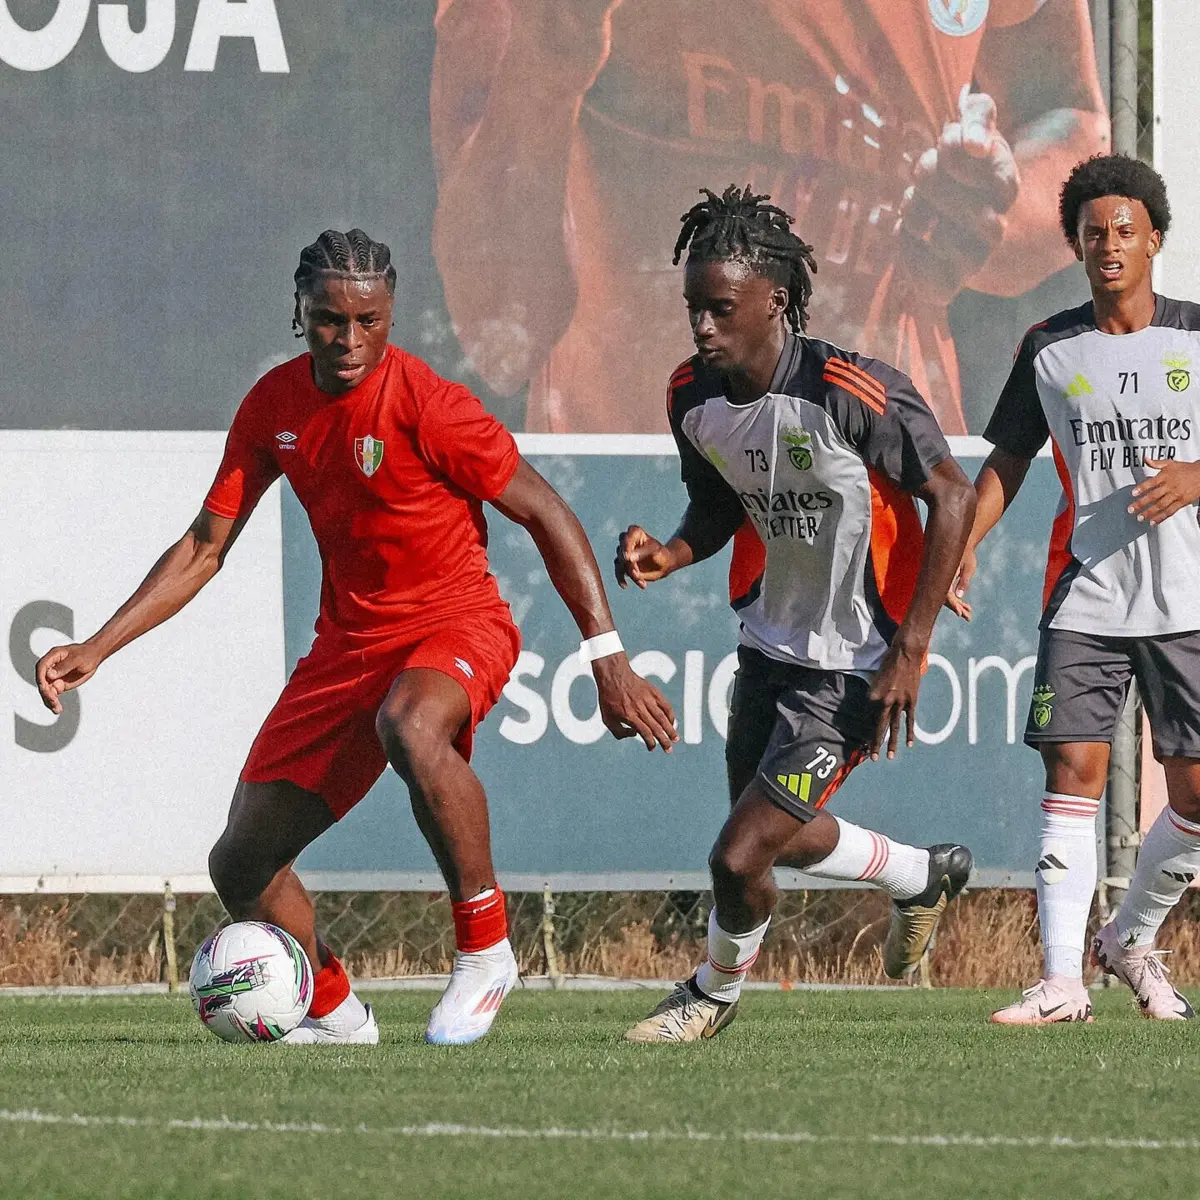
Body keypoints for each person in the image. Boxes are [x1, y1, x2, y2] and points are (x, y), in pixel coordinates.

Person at [35, 229, 677, 1047]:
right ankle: (337, 1016)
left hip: (457, 620)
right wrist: (98, 645)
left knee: (411, 722)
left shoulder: (429, 404)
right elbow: (205, 544)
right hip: (347, 647)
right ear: (300, 314)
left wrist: (606, 658)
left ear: (391, 316)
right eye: (329, 319)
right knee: (239, 863)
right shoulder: (273, 406)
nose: (348, 340)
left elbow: (546, 511)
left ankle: (486, 952)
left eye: (368, 321)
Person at [614, 186, 976, 1043]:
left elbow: (952, 497)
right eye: (693, 308)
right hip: (767, 650)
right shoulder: (689, 396)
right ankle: (921, 876)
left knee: (737, 856)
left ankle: (709, 996)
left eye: (720, 309)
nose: (702, 327)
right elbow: (716, 507)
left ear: (775, 301)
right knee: (774, 830)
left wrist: (911, 649)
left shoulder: (852, 391)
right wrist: (667, 553)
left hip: (854, 665)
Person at [430, 0, 1108, 436]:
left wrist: (991, 214)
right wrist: (548, 63)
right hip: (638, 513)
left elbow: (1070, 116)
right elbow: (498, 327)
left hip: (888, 490)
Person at [953, 156, 1200, 1024]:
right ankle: (1062, 980)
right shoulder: (1049, 347)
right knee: (1073, 771)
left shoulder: (1198, 337)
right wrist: (961, 548)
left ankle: (1128, 939)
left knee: (1197, 793)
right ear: (1076, 245)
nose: (1109, 245)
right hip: (1087, 594)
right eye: (1093, 232)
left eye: (1125, 230)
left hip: (1188, 601)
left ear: (1155, 240)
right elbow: (1008, 462)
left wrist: (1196, 476)